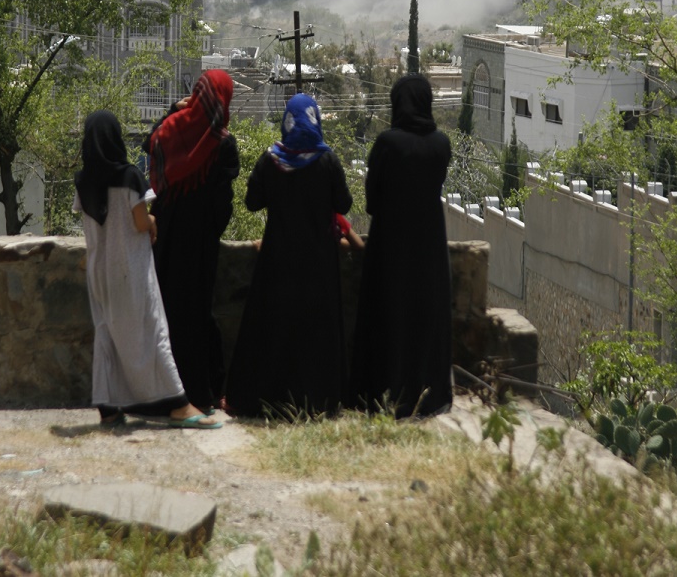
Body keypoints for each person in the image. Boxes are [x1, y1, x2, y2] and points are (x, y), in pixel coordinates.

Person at [74, 110, 222, 428]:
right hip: (131, 269)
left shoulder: (82, 180)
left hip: (99, 272)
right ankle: (179, 405)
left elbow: (91, 226)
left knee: (107, 335)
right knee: (153, 331)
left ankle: (108, 408)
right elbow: (140, 222)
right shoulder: (129, 176)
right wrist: (154, 221)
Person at [225, 92, 352, 418]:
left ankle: (267, 399)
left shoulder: (273, 159)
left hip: (278, 260)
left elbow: (252, 201)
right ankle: (318, 401)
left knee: (273, 329)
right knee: (315, 332)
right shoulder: (327, 160)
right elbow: (344, 205)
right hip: (318, 262)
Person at [350, 74, 452, 419]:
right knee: (424, 318)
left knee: (388, 315)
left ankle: (383, 391)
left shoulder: (388, 144)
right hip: (430, 245)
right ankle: (427, 394)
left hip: (391, 244)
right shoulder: (441, 144)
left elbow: (372, 199)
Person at [146, 69, 239, 413]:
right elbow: (222, 204)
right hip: (198, 246)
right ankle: (201, 392)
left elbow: (149, 142)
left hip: (165, 237)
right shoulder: (223, 144)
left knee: (164, 311)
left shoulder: (171, 129)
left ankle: (160, 393)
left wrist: (173, 109)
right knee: (197, 314)